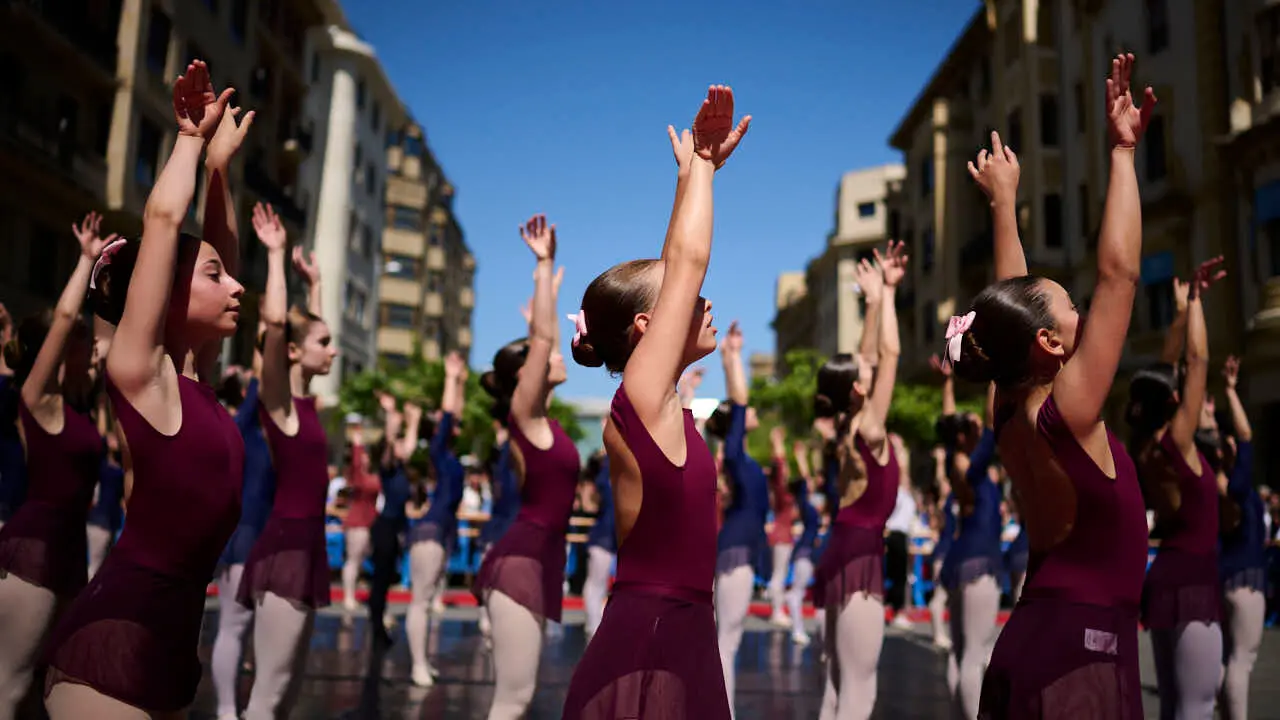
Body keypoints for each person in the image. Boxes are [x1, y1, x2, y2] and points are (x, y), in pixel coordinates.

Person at [950, 55, 1155, 719]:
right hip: (1080, 652)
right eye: (1070, 307)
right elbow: (1120, 274)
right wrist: (1122, 151)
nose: (1081, 310)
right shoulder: (1070, 409)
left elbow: (1012, 308)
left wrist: (1005, 204)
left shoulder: (1013, 409)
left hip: (1034, 636)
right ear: (1052, 344)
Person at [44, 60, 251, 717]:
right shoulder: (144, 374)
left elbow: (220, 252)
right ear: (166, 293)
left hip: (171, 649)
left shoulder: (199, 384)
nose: (236, 286)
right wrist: (188, 141)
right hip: (114, 644)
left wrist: (219, 173)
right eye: (215, 277)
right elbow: (164, 226)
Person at [562, 85, 750, 720]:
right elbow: (686, 264)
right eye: (680, 300)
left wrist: (690, 179)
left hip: (680, 630)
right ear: (648, 326)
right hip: (653, 635)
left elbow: (676, 263)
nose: (702, 301)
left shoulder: (657, 400)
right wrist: (701, 165)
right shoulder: (640, 401)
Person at [0, 213, 113, 716]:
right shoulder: (37, 399)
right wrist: (85, 261)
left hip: (68, 551)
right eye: (83, 346)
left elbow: (111, 349)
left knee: (41, 690)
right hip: (35, 550)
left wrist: (107, 283)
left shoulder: (79, 406)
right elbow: (66, 321)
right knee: (11, 686)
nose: (92, 353)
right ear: (63, 350)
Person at [234, 204, 338, 719]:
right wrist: (275, 255)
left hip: (306, 546)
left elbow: (304, 334)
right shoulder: (278, 405)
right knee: (268, 695)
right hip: (285, 548)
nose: (334, 352)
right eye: (326, 344)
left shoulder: (305, 404)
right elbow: (278, 327)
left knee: (288, 692)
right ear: (295, 354)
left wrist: (314, 287)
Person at [473, 214, 579, 720]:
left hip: (540, 563)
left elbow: (543, 342)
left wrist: (550, 294)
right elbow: (541, 341)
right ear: (526, 378)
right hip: (518, 563)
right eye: (544, 355)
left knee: (522, 695)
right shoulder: (526, 417)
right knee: (511, 701)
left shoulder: (548, 425)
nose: (557, 352)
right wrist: (543, 266)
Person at [811, 240, 907, 720]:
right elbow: (887, 353)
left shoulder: (850, 428)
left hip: (842, 551)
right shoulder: (868, 429)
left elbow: (868, 357)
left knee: (836, 685)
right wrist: (888, 293)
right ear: (856, 389)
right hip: (858, 557)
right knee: (858, 692)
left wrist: (872, 301)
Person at [1131, 257, 1227, 719]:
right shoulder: (1177, 441)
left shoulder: (1147, 447)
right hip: (1191, 577)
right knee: (1197, 706)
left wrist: (1182, 312)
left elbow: (1166, 366)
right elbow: (1195, 361)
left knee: (1173, 704)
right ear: (1172, 401)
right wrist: (1195, 303)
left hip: (1166, 577)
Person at [704, 321, 769, 714]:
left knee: (725, 639)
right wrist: (735, 357)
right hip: (737, 551)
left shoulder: (737, 455)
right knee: (726, 641)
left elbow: (739, 408)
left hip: (737, 547)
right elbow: (740, 403)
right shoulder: (733, 454)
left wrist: (730, 357)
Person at [1205, 358, 1264, 720]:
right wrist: (1229, 389)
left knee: (1230, 659)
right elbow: (1246, 437)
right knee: (1243, 660)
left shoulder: (1213, 484)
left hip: (1224, 576)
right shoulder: (1238, 484)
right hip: (1245, 578)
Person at [405, 352, 469, 686]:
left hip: (440, 531)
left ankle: (422, 661)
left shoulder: (447, 455)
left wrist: (459, 383)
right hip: (430, 532)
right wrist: (449, 377)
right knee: (420, 601)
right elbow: (447, 416)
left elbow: (452, 415)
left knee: (428, 602)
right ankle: (416, 664)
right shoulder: (438, 451)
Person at [936, 381, 998, 719]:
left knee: (961, 654)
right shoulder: (973, 467)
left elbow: (950, 425)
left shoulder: (953, 461)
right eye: (971, 426)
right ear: (965, 437)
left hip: (960, 558)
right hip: (977, 559)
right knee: (975, 654)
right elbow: (992, 421)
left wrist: (948, 385)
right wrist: (994, 376)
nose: (978, 427)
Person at [365, 395, 420, 648]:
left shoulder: (401, 468)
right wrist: (391, 416)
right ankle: (376, 624)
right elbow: (390, 442)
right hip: (385, 527)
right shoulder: (388, 467)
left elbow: (408, 445)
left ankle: (378, 618)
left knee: (387, 577)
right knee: (381, 578)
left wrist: (413, 421)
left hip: (396, 527)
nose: (402, 446)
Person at [340, 415, 380, 615]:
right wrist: (357, 441)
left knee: (363, 560)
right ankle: (348, 595)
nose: (365, 457)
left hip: (370, 521)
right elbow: (356, 463)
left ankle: (355, 592)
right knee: (354, 560)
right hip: (358, 521)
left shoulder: (373, 475)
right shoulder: (358, 476)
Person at [787, 439, 822, 646]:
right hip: (806, 551)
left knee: (799, 592)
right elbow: (805, 480)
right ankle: (797, 629)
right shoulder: (805, 503)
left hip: (808, 550)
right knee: (797, 593)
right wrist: (801, 458)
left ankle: (800, 629)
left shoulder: (808, 504)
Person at [582, 447, 615, 640]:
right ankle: (593, 625)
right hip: (606, 534)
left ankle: (594, 625)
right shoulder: (606, 465)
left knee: (598, 583)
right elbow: (590, 502)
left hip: (613, 533)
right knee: (597, 583)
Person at [766, 426, 797, 628]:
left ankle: (777, 610)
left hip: (781, 534)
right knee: (779, 575)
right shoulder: (781, 490)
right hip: (781, 536)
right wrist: (778, 444)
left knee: (779, 574)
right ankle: (777, 611)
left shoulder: (781, 491)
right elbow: (779, 468)